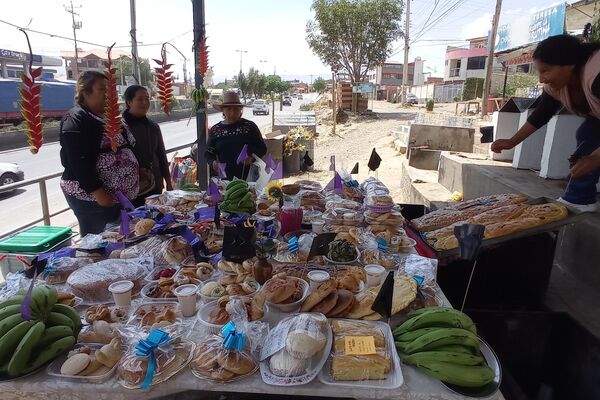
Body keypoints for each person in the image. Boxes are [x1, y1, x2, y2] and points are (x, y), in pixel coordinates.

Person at [491, 34, 600, 212]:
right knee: (586, 136)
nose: (542, 79)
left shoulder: (596, 74)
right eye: (539, 72)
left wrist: (595, 158)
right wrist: (511, 142)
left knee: (589, 144)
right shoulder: (557, 86)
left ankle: (578, 199)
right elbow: (541, 115)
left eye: (546, 70)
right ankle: (579, 199)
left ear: (570, 64)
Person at [60, 71, 139, 236]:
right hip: (93, 200)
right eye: (102, 89)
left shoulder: (109, 116)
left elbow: (127, 147)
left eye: (110, 90)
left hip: (119, 198)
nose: (109, 94)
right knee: (97, 243)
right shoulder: (75, 118)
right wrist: (98, 192)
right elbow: (78, 159)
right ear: (85, 91)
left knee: (119, 238)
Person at [123, 85, 172, 207]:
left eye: (147, 99)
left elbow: (161, 155)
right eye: (140, 99)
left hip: (155, 183)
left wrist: (168, 181)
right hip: (131, 187)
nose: (145, 103)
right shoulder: (119, 128)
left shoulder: (153, 126)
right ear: (129, 102)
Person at [205, 91, 267, 180]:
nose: (233, 112)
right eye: (229, 109)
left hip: (250, 178)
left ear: (240, 109)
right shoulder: (216, 130)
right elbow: (208, 153)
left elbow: (262, 148)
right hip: (226, 179)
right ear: (223, 110)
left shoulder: (250, 126)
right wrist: (213, 163)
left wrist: (251, 158)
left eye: (236, 109)